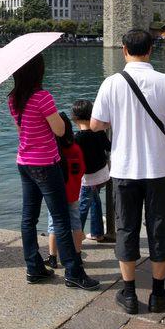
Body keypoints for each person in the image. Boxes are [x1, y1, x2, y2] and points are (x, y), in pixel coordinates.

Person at [90, 29, 165, 315]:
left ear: (124, 50)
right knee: (160, 228)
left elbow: (97, 124)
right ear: (150, 50)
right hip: (159, 167)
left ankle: (130, 293)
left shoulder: (111, 83)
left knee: (126, 227)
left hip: (124, 168)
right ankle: (158, 294)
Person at [9, 54, 100, 290]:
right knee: (61, 218)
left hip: (24, 162)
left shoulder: (14, 99)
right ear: (37, 72)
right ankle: (73, 272)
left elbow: (22, 131)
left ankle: (34, 268)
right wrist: (54, 118)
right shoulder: (43, 97)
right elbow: (60, 131)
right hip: (46, 165)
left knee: (28, 218)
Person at [46, 114, 85, 267]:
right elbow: (82, 169)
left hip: (55, 194)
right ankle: (77, 255)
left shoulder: (52, 150)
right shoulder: (75, 148)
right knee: (76, 223)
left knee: (53, 224)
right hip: (74, 192)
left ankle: (52, 257)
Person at [71, 99, 111, 241]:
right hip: (102, 173)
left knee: (82, 205)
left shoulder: (77, 138)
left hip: (88, 178)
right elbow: (108, 146)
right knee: (95, 201)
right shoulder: (99, 132)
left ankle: (77, 233)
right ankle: (97, 232)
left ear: (74, 117)